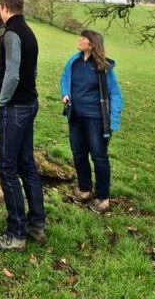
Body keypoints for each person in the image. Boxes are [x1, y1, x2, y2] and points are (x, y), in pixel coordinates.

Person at [0, 0, 46, 251]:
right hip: (30, 102)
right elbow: (32, 71)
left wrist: (4, 100)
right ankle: (36, 224)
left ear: (3, 7)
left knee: (6, 167)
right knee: (26, 164)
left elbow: (13, 70)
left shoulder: (11, 33)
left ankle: (16, 233)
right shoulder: (29, 32)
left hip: (15, 107)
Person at [60, 28, 123, 214]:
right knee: (78, 154)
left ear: (92, 43)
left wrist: (113, 121)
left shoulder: (103, 67)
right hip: (76, 117)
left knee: (99, 156)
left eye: (83, 38)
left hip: (96, 119)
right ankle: (84, 190)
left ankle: (103, 198)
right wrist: (65, 94)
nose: (79, 40)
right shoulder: (74, 61)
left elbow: (115, 94)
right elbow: (65, 78)